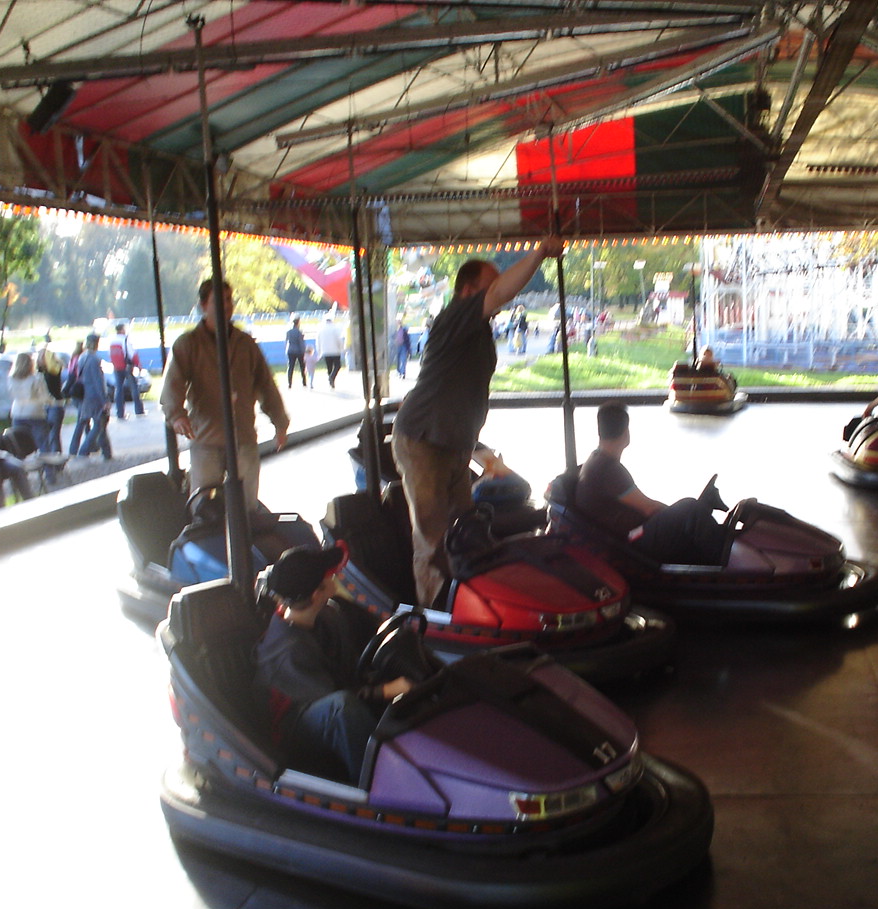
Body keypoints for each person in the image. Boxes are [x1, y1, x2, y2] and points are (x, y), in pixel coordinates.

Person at [391, 235, 563, 606]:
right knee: (433, 537)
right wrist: (538, 253)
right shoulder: (456, 315)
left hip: (451, 443)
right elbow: (501, 292)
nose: (500, 293)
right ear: (468, 291)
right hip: (423, 441)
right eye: (490, 285)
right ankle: (434, 612)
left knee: (465, 528)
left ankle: (469, 597)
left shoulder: (478, 328)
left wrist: (478, 449)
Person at [254, 545, 414, 784]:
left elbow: (352, 667)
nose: (335, 577)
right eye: (329, 576)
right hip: (296, 723)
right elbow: (332, 695)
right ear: (317, 593)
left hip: (326, 693)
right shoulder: (288, 652)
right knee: (342, 709)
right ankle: (380, 784)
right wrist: (385, 690)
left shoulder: (327, 615)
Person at [162, 279, 290, 508]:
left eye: (229, 300)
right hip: (206, 440)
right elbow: (173, 383)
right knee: (204, 505)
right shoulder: (188, 344)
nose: (226, 306)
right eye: (219, 301)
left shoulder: (245, 344)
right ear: (204, 305)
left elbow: (266, 385)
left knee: (247, 504)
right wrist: (177, 415)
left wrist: (280, 422)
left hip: (243, 438)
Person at [575, 401, 734, 565]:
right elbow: (649, 508)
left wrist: (678, 516)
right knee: (690, 508)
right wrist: (680, 515)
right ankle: (727, 563)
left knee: (691, 511)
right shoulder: (609, 469)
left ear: (600, 431)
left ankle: (715, 538)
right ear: (626, 433)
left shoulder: (596, 460)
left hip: (627, 535)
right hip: (631, 540)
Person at [68, 333, 112, 459]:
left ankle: (106, 453)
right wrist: (104, 400)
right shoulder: (94, 359)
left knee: (88, 423)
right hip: (94, 396)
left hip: (84, 395)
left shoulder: (82, 357)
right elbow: (98, 381)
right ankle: (84, 451)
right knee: (99, 424)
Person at [7, 352, 52, 455]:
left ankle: (21, 463)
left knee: (19, 444)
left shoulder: (11, 379)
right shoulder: (37, 378)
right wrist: (51, 402)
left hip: (17, 412)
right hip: (35, 413)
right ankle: (47, 464)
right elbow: (44, 397)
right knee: (43, 443)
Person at [109, 322, 144, 419]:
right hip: (126, 367)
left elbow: (110, 354)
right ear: (121, 330)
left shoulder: (112, 341)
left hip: (116, 367)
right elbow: (132, 354)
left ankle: (120, 413)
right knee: (134, 388)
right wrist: (138, 365)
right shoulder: (125, 340)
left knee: (119, 389)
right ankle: (139, 410)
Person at [36, 346, 66, 454]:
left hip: (51, 405)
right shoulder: (54, 371)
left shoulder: (46, 374)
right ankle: (56, 456)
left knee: (51, 435)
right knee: (53, 435)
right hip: (55, 405)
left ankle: (54, 456)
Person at [316, 314, 344, 388]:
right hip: (335, 351)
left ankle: (331, 382)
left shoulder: (321, 329)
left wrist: (319, 351)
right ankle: (332, 377)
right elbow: (339, 339)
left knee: (329, 367)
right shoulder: (335, 328)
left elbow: (318, 341)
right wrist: (341, 348)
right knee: (337, 366)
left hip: (325, 351)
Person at [285, 316, 307, 388]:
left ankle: (289, 383)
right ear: (298, 323)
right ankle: (304, 382)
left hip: (290, 350)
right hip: (299, 351)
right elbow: (301, 343)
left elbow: (286, 341)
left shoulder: (288, 332)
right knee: (302, 367)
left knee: (290, 367)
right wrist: (304, 351)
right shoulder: (299, 332)